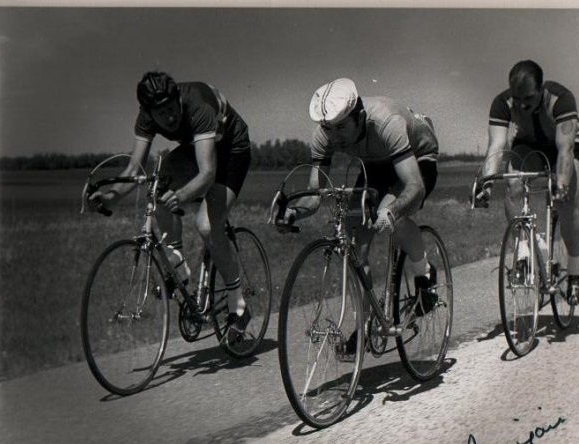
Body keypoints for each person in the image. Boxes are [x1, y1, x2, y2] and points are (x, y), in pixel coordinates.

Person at [277, 77, 440, 354]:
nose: (335, 136)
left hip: (417, 157)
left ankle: (423, 272)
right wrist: (292, 213)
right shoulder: (324, 135)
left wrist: (392, 211)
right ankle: (365, 326)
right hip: (375, 163)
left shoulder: (387, 122)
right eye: (328, 129)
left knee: (391, 217)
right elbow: (316, 195)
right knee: (356, 246)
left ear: (360, 117)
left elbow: (414, 186)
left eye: (341, 127)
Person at [88, 71, 252, 344]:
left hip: (232, 150)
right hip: (198, 147)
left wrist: (184, 195)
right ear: (148, 113)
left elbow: (208, 173)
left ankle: (239, 307)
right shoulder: (146, 118)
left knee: (207, 225)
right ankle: (180, 268)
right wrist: (109, 198)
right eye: (160, 114)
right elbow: (134, 168)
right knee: (157, 187)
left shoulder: (198, 103)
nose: (169, 118)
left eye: (171, 109)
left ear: (178, 98)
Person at [473, 60, 579, 305]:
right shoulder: (502, 104)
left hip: (566, 146)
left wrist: (562, 184)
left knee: (568, 201)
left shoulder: (561, 99)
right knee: (513, 183)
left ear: (541, 89)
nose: (523, 105)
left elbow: (565, 150)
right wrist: (486, 183)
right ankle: (523, 249)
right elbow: (496, 146)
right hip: (530, 145)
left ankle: (575, 272)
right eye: (518, 99)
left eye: (529, 98)